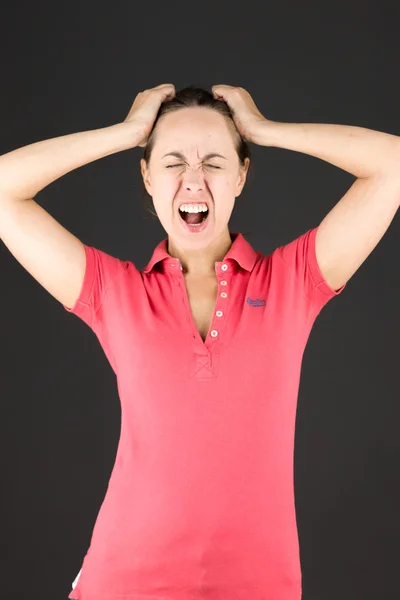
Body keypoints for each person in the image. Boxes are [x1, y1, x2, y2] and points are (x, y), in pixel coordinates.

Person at [1, 83, 399, 600]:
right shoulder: (114, 292)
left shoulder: (293, 281)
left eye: (214, 161)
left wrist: (266, 131)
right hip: (123, 582)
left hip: (261, 586)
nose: (194, 179)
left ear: (241, 175)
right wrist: (123, 135)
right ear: (146, 176)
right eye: (171, 162)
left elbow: (392, 163)